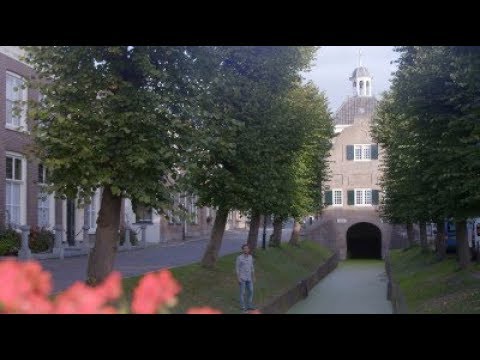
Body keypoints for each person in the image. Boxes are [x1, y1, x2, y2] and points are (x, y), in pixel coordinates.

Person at [236, 244, 256, 312]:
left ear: (249, 250)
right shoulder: (239, 258)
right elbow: (237, 269)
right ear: (242, 250)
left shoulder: (250, 257)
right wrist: (238, 278)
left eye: (247, 248)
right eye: (244, 249)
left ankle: (249, 305)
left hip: (249, 278)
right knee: (242, 293)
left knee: (251, 291)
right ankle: (243, 306)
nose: (246, 250)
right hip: (242, 278)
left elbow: (252, 267)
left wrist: (253, 276)